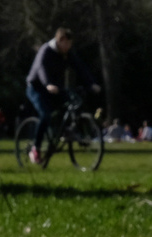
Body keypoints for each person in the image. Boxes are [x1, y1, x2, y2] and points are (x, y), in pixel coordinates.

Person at [25, 26, 101, 162]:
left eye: (69, 43)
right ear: (58, 41)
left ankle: (67, 130)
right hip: (36, 88)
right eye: (65, 43)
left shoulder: (68, 53)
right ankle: (35, 148)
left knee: (74, 102)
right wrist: (47, 83)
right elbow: (40, 68)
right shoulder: (46, 50)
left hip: (55, 88)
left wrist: (91, 84)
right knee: (45, 115)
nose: (67, 46)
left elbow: (80, 67)